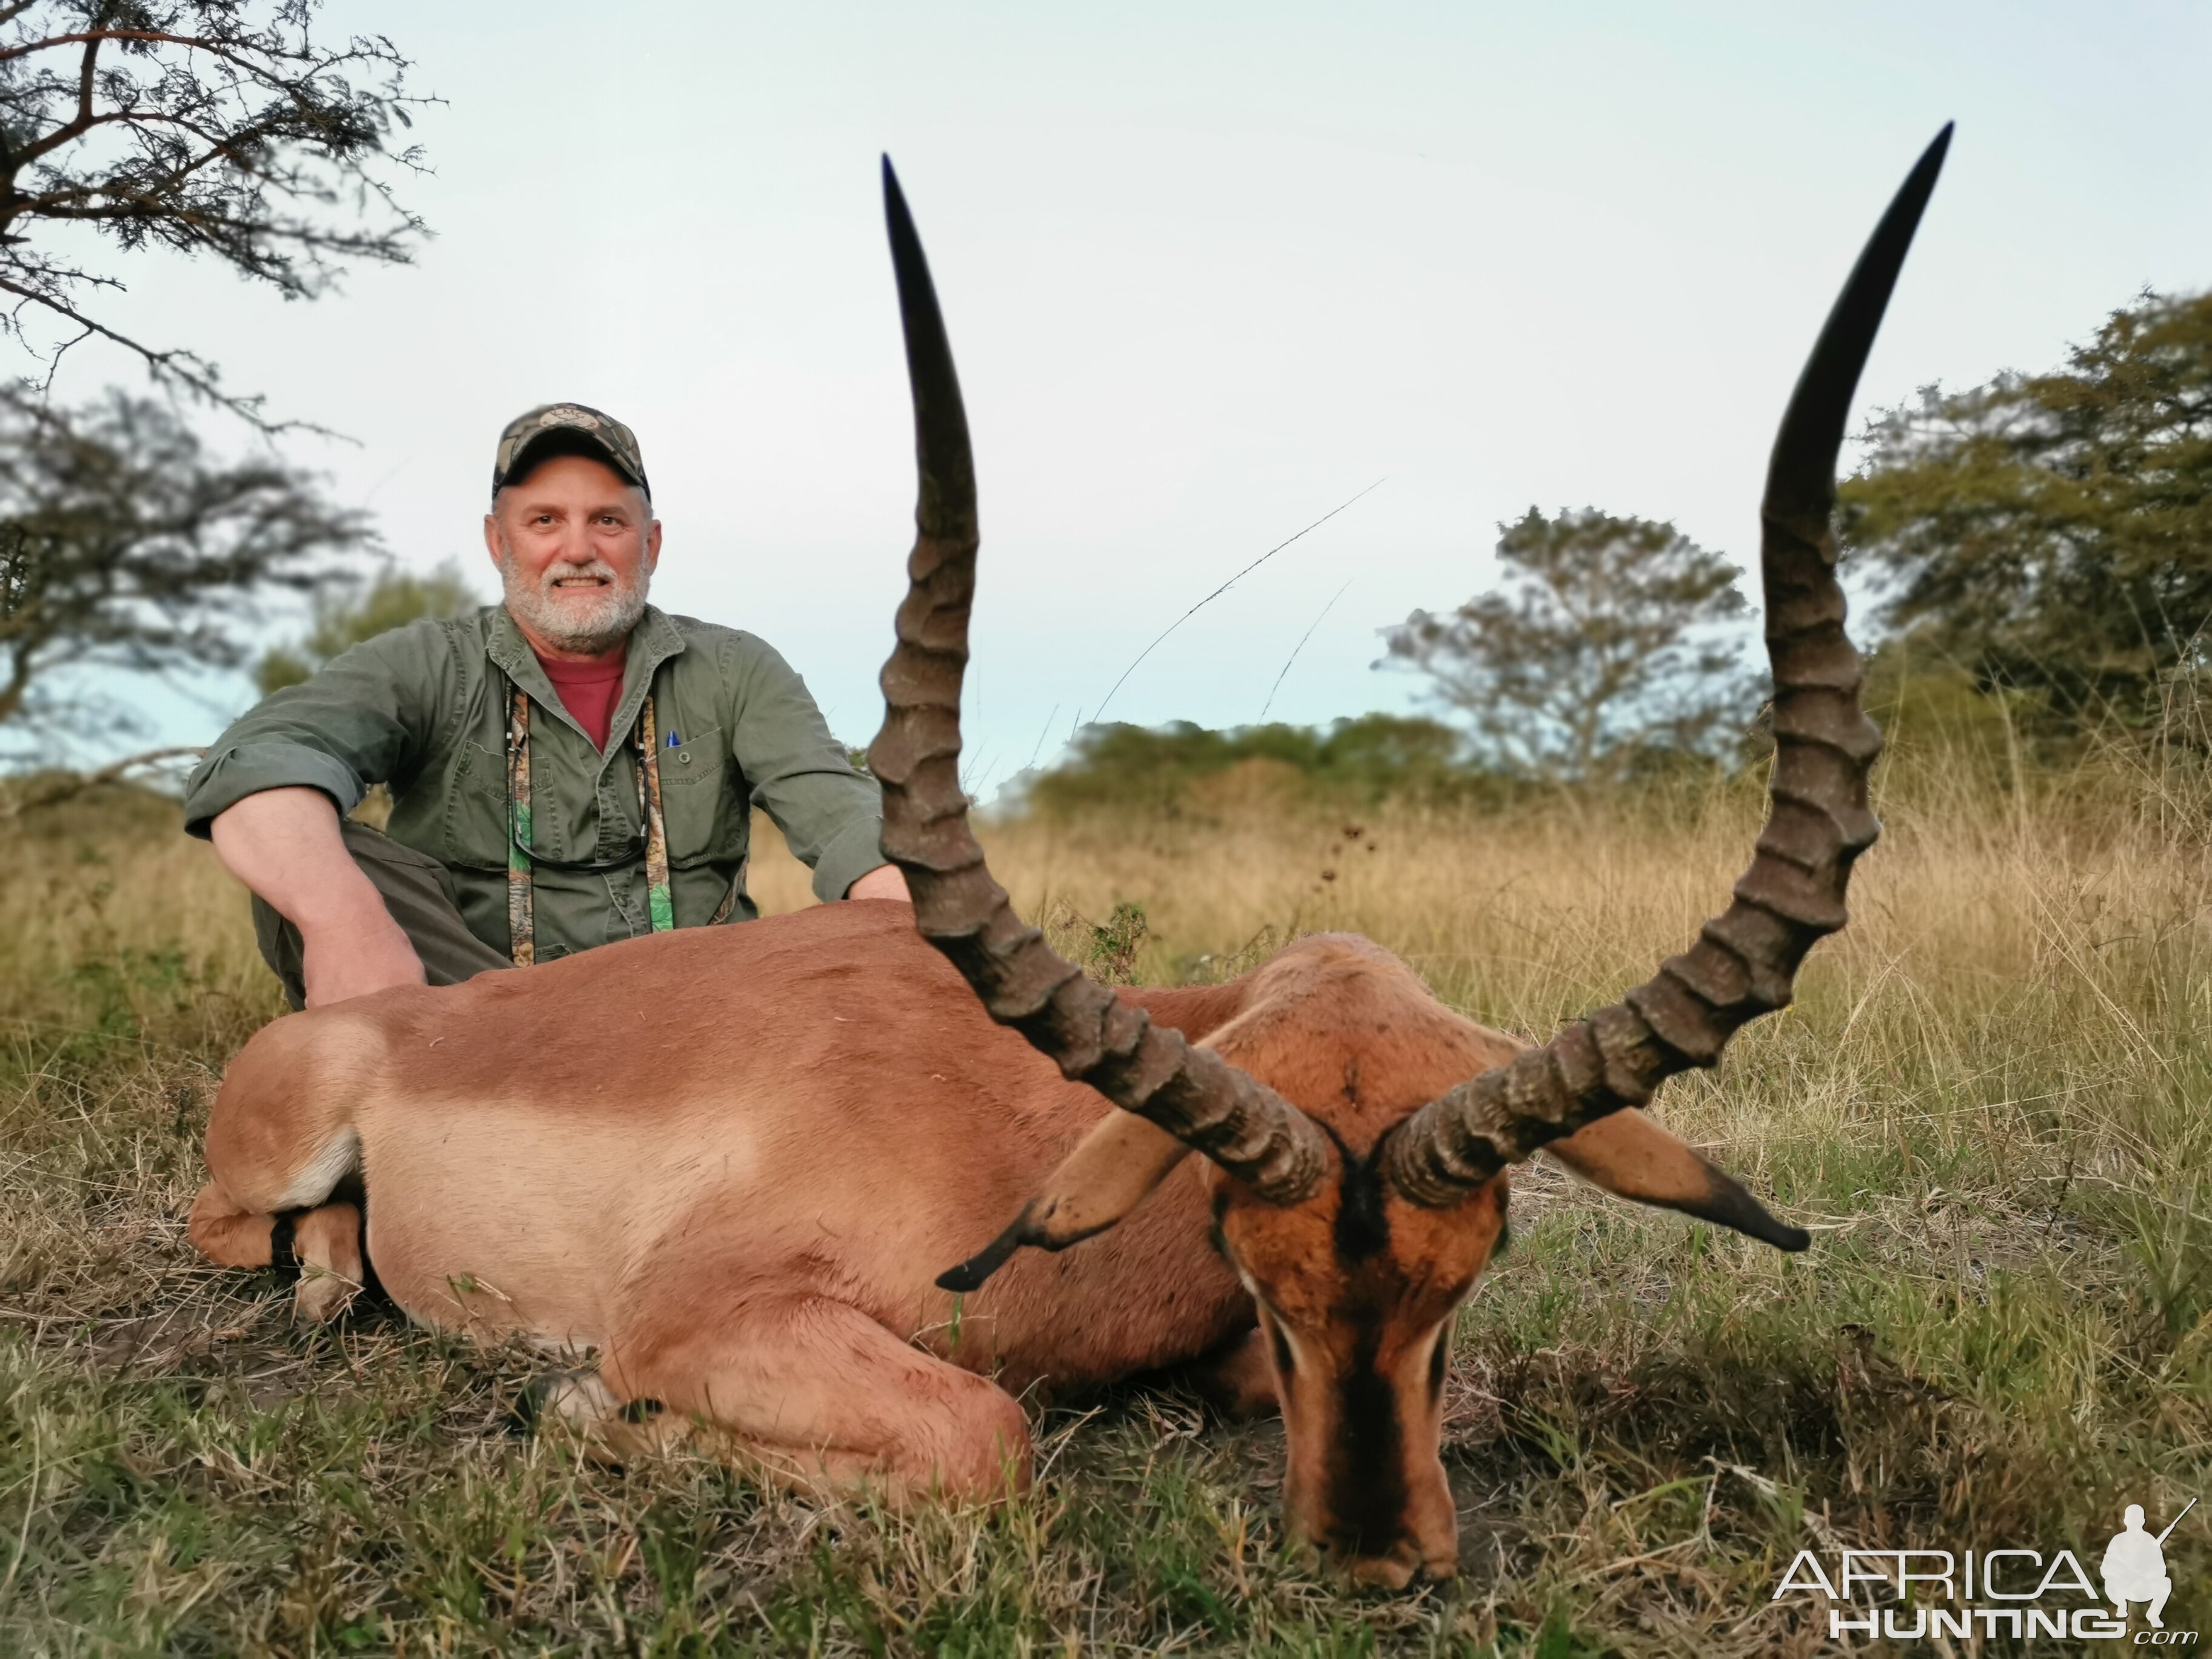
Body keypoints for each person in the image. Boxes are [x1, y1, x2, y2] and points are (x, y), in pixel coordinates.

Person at [184, 402, 908, 1010]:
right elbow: (256, 765)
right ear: (498, 541)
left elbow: (846, 820)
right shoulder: (427, 662)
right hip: (481, 1020)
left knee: (873, 939)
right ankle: (408, 1098)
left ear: (650, 544)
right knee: (307, 848)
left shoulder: (735, 667)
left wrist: (918, 946)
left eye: (609, 522)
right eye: (544, 522)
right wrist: (348, 926)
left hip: (700, 1024)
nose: (578, 549)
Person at [2100, 1504, 2172, 1629]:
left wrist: (2148, 1574)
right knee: (2118, 1584)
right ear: (2125, 1521)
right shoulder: (2118, 1541)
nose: (2135, 1522)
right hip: (2120, 1587)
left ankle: (2154, 1614)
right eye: (2132, 1519)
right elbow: (2106, 1568)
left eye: (2138, 1519)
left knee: (2166, 1583)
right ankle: (2122, 1608)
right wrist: (2119, 1572)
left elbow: (2161, 1569)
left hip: (2143, 1585)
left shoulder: (2150, 1541)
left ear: (2143, 1521)